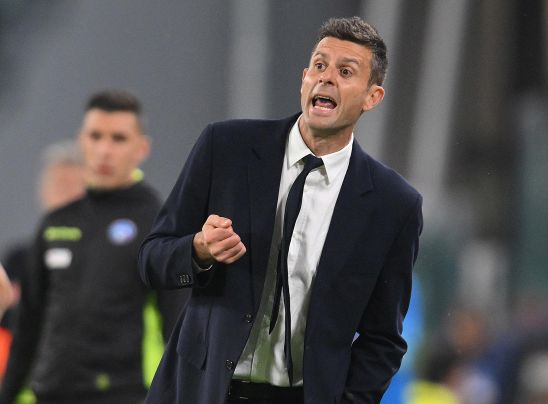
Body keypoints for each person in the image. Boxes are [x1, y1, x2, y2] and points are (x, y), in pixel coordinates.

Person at [139, 16, 423, 404]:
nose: (326, 78)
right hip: (202, 392)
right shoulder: (226, 147)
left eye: (345, 71)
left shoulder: (393, 204)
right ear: (304, 78)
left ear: (372, 97)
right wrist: (198, 250)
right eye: (319, 65)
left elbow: (384, 338)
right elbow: (152, 259)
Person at [0, 90, 189, 404]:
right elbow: (28, 326)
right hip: (50, 394)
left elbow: (178, 328)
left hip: (126, 395)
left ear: (141, 148)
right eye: (95, 136)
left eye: (118, 139)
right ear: (81, 141)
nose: (104, 150)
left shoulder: (161, 225)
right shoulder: (55, 223)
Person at [0, 139, 85, 382]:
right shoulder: (19, 258)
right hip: (23, 378)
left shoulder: (101, 256)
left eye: (71, 184)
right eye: (57, 183)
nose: (63, 193)